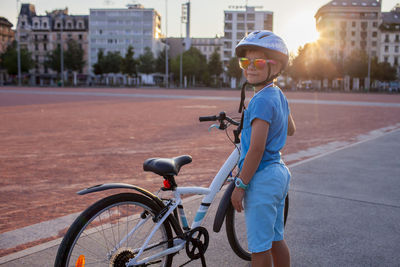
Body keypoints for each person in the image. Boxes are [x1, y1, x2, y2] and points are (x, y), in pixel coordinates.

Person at [231, 30, 296, 267]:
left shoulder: (261, 100)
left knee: (259, 249)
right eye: (245, 61)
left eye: (258, 62)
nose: (250, 67)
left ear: (276, 66)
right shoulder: (277, 94)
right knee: (276, 239)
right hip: (278, 174)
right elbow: (291, 129)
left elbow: (256, 149)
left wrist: (240, 184)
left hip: (262, 178)